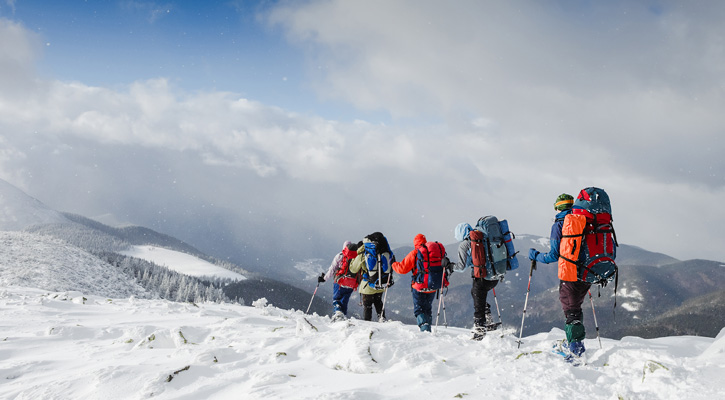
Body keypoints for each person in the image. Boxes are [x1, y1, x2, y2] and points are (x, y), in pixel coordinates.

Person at [528, 193, 590, 360]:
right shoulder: (584, 220)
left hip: (571, 273)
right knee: (575, 307)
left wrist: (536, 256)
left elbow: (554, 255)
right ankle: (575, 342)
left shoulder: (559, 225)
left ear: (557, 208)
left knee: (571, 310)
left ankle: (576, 350)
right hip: (588, 272)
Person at [391, 234, 448, 332]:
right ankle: (428, 327)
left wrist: (393, 264)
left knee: (419, 310)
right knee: (427, 308)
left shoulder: (415, 253)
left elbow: (402, 269)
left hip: (419, 287)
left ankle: (425, 328)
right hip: (433, 285)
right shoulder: (433, 253)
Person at [453, 222, 497, 340]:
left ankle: (480, 328)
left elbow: (462, 267)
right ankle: (488, 319)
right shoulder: (484, 238)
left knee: (478, 300)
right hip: (494, 275)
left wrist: (450, 266)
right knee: (476, 294)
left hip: (482, 277)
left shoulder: (465, 244)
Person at [349, 232, 395, 322]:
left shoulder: (363, 254)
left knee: (367, 305)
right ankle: (382, 318)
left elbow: (353, 269)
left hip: (368, 284)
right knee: (378, 302)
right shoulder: (381, 250)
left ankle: (367, 323)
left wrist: (353, 259)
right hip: (380, 281)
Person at [318, 241, 360, 321]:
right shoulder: (356, 257)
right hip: (352, 283)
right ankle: (343, 318)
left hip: (340, 281)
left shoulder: (340, 256)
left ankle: (337, 313)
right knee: (344, 301)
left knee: (336, 299)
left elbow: (332, 269)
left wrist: (324, 278)